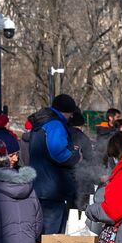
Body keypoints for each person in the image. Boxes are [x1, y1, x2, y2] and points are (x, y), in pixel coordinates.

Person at [28, 93, 82, 235]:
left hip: (40, 184)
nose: (71, 117)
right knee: (51, 236)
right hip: (52, 188)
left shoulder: (42, 124)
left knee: (42, 230)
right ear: (67, 111)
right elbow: (58, 154)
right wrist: (76, 156)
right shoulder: (55, 125)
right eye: (71, 113)